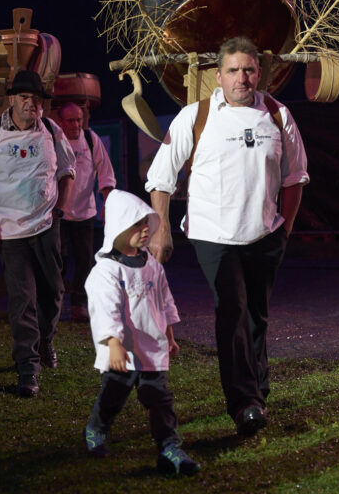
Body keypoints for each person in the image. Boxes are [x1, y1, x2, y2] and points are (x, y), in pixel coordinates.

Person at [146, 36, 309, 436]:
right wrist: (161, 227)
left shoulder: (277, 115)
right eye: (233, 70)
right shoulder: (195, 116)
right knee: (232, 309)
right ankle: (244, 404)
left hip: (264, 233)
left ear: (259, 73)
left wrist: (284, 230)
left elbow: (295, 177)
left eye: (249, 70)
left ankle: (258, 394)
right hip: (213, 235)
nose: (242, 78)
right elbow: (160, 178)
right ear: (217, 76)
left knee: (256, 314)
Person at [83, 189, 199, 476]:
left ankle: (169, 448)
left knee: (158, 398)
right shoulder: (106, 271)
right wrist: (113, 343)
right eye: (137, 224)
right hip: (122, 351)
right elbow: (106, 310)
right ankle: (96, 428)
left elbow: (165, 301)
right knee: (114, 394)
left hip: (151, 347)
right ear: (119, 226)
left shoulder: (152, 266)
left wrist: (169, 335)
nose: (146, 229)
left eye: (147, 223)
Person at [0, 70, 75, 398]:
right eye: (24, 97)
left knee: (54, 291)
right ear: (12, 99)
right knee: (22, 299)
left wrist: (59, 210)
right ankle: (27, 366)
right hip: (8, 230)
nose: (30, 103)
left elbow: (67, 171)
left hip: (47, 224)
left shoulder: (50, 129)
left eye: (36, 98)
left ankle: (45, 339)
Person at [56, 102, 116, 322]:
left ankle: (79, 305)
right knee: (58, 259)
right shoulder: (54, 141)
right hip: (58, 213)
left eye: (79, 120)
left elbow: (106, 173)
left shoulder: (91, 139)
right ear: (61, 122)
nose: (76, 125)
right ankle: (55, 303)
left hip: (85, 212)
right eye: (71, 120)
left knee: (85, 261)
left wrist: (108, 204)